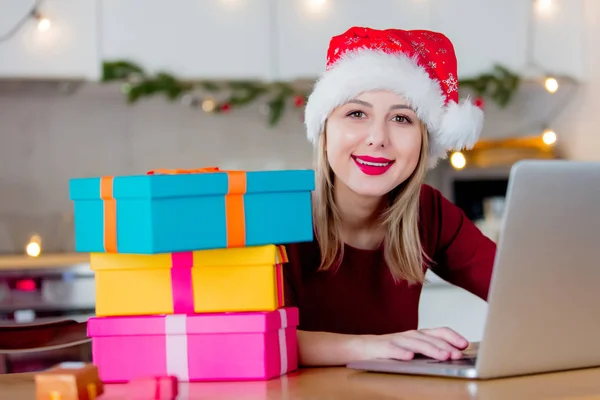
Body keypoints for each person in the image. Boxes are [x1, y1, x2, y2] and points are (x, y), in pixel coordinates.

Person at [283, 27, 497, 367]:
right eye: (356, 113)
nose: (377, 138)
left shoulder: (429, 212)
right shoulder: (278, 216)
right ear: (324, 131)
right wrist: (374, 347)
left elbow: (519, 292)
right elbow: (262, 342)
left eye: (401, 118)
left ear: (424, 142)